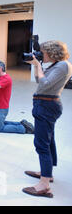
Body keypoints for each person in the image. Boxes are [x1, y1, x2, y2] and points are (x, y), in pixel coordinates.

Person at [22, 40, 72, 198]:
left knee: (41, 144)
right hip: (45, 105)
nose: (41, 55)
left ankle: (44, 185)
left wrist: (37, 65)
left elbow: (45, 83)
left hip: (47, 106)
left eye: (43, 52)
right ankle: (47, 174)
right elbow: (39, 81)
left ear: (52, 52)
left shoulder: (63, 65)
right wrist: (37, 66)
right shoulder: (56, 65)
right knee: (48, 140)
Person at [0, 60, 34, 134]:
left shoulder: (6, 79)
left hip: (1, 108)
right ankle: (21, 123)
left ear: (0, 68)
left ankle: (23, 129)